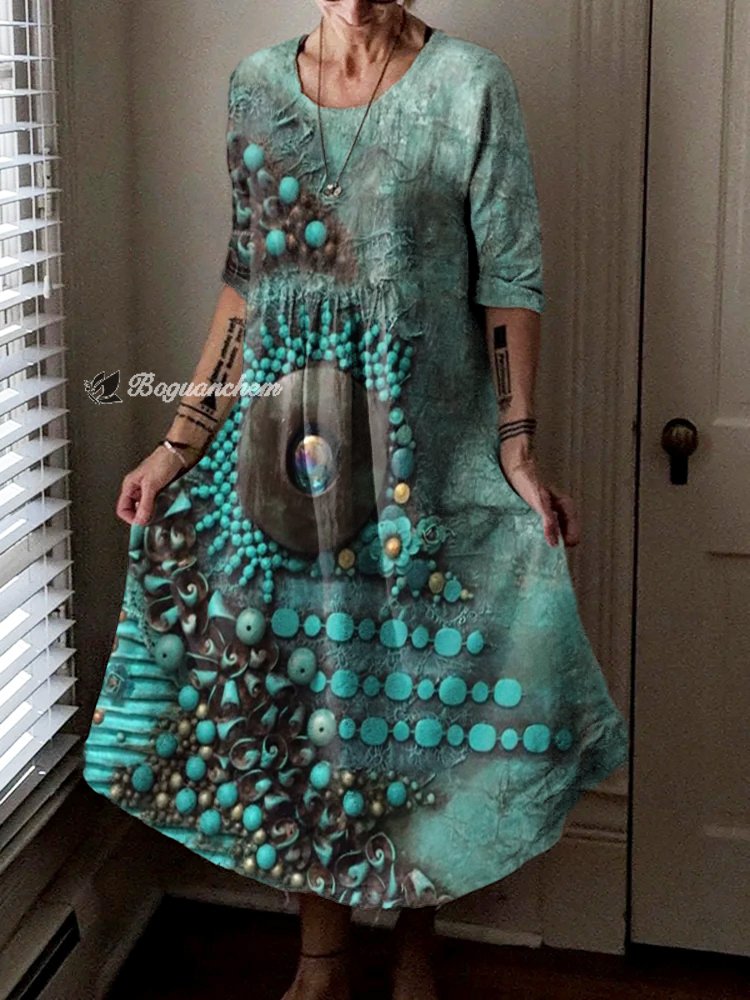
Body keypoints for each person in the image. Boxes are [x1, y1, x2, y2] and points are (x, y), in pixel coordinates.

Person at [82, 2, 630, 998]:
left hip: (430, 464)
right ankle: (321, 959)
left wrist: (517, 445)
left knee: (422, 707)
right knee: (307, 709)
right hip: (290, 470)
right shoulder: (255, 86)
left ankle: (417, 944)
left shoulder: (472, 85)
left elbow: (510, 279)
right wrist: (177, 443)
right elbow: (246, 283)